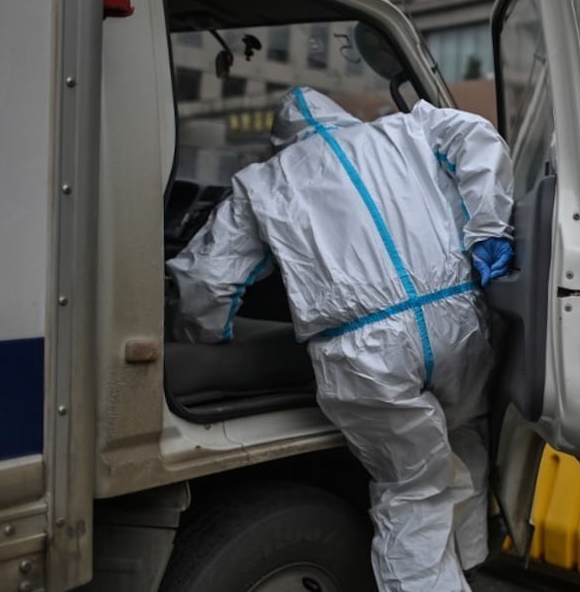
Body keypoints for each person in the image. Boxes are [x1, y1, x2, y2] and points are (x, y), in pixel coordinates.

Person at [166, 87, 513, 591]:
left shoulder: (263, 182)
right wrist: (489, 230)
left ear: (283, 140)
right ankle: (469, 565)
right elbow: (476, 135)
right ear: (342, 117)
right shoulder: (407, 129)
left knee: (413, 490)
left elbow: (208, 280)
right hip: (457, 321)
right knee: (464, 440)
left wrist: (201, 335)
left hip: (363, 354)